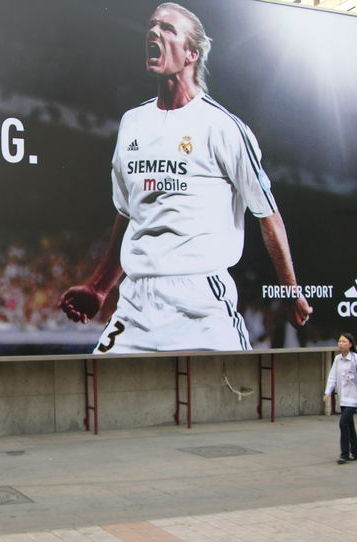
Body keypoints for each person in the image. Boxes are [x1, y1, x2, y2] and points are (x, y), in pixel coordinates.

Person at [59, 2, 312, 352]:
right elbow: (128, 213)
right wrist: (100, 287)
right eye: (152, 26)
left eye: (167, 28)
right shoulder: (132, 122)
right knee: (101, 398)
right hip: (136, 303)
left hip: (202, 303)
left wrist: (289, 290)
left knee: (231, 397)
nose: (153, 32)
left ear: (192, 53)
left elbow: (268, 216)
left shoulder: (223, 127)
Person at [323, 333, 357, 464]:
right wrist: (327, 392)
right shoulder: (337, 359)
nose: (341, 344)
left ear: (350, 344)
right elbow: (332, 377)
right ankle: (356, 453)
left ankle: (344, 454)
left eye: (344, 342)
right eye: (339, 341)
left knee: (343, 423)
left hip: (355, 397)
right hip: (344, 397)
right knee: (350, 425)